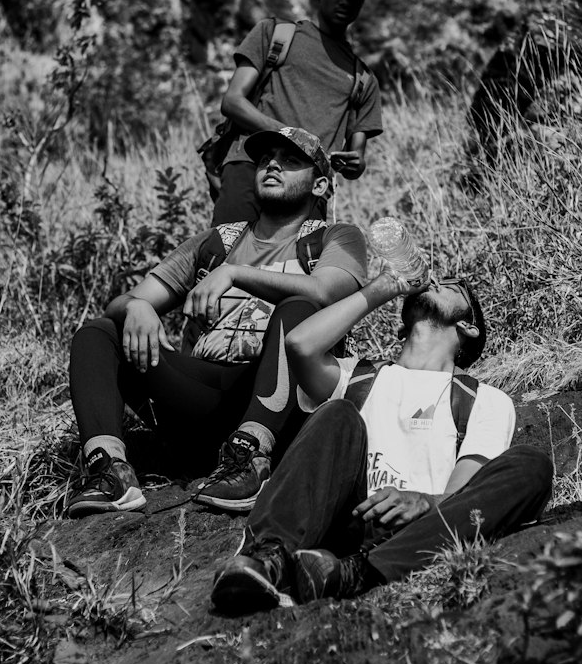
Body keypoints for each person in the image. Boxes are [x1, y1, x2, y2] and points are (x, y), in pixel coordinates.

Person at [65, 128, 368, 518]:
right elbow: (125, 301)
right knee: (98, 332)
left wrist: (235, 274)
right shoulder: (217, 242)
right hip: (204, 397)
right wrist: (136, 308)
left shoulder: (334, 238)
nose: (272, 164)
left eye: (291, 160)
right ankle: (110, 471)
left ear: (321, 184)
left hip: (284, 405)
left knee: (299, 308)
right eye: (264, 159)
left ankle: (252, 458)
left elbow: (325, 292)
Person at [210, 271, 553, 612]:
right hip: (344, 521)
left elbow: (462, 493)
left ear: (468, 327)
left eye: (452, 285)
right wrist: (382, 289)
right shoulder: (357, 377)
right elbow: (300, 344)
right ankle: (269, 561)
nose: (435, 280)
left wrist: (426, 502)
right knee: (337, 413)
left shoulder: (484, 400)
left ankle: (359, 573)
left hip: (416, 533)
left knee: (532, 465)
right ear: (402, 326)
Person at [211, 0, 384, 225]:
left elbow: (357, 158)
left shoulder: (364, 79)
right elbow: (232, 102)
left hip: (309, 187)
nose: (347, 1)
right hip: (252, 165)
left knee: (293, 268)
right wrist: (290, 136)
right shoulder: (275, 33)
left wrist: (353, 163)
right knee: (223, 257)